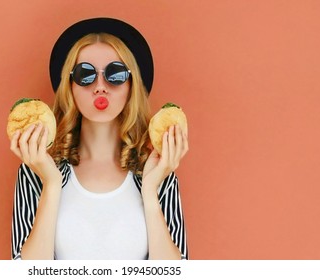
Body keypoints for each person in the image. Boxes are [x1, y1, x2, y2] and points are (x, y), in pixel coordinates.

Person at [10, 17, 189, 260]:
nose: (100, 86)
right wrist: (51, 184)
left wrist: (149, 190)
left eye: (115, 74)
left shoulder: (159, 173)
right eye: (86, 74)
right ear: (70, 87)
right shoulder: (36, 170)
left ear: (131, 85)